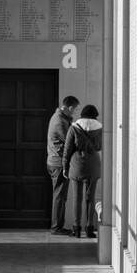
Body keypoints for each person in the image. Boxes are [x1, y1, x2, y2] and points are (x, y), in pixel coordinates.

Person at [62, 104, 102, 238]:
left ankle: (77, 229)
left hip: (77, 164)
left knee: (77, 198)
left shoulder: (74, 127)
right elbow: (100, 146)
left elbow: (67, 149)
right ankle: (90, 228)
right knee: (90, 198)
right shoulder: (100, 127)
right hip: (94, 164)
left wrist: (65, 167)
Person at [46, 95, 79, 234]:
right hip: (58, 164)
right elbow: (70, 141)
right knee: (59, 196)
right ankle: (56, 227)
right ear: (67, 107)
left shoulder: (59, 118)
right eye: (73, 109)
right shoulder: (59, 121)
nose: (74, 112)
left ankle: (58, 226)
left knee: (60, 196)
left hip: (55, 162)